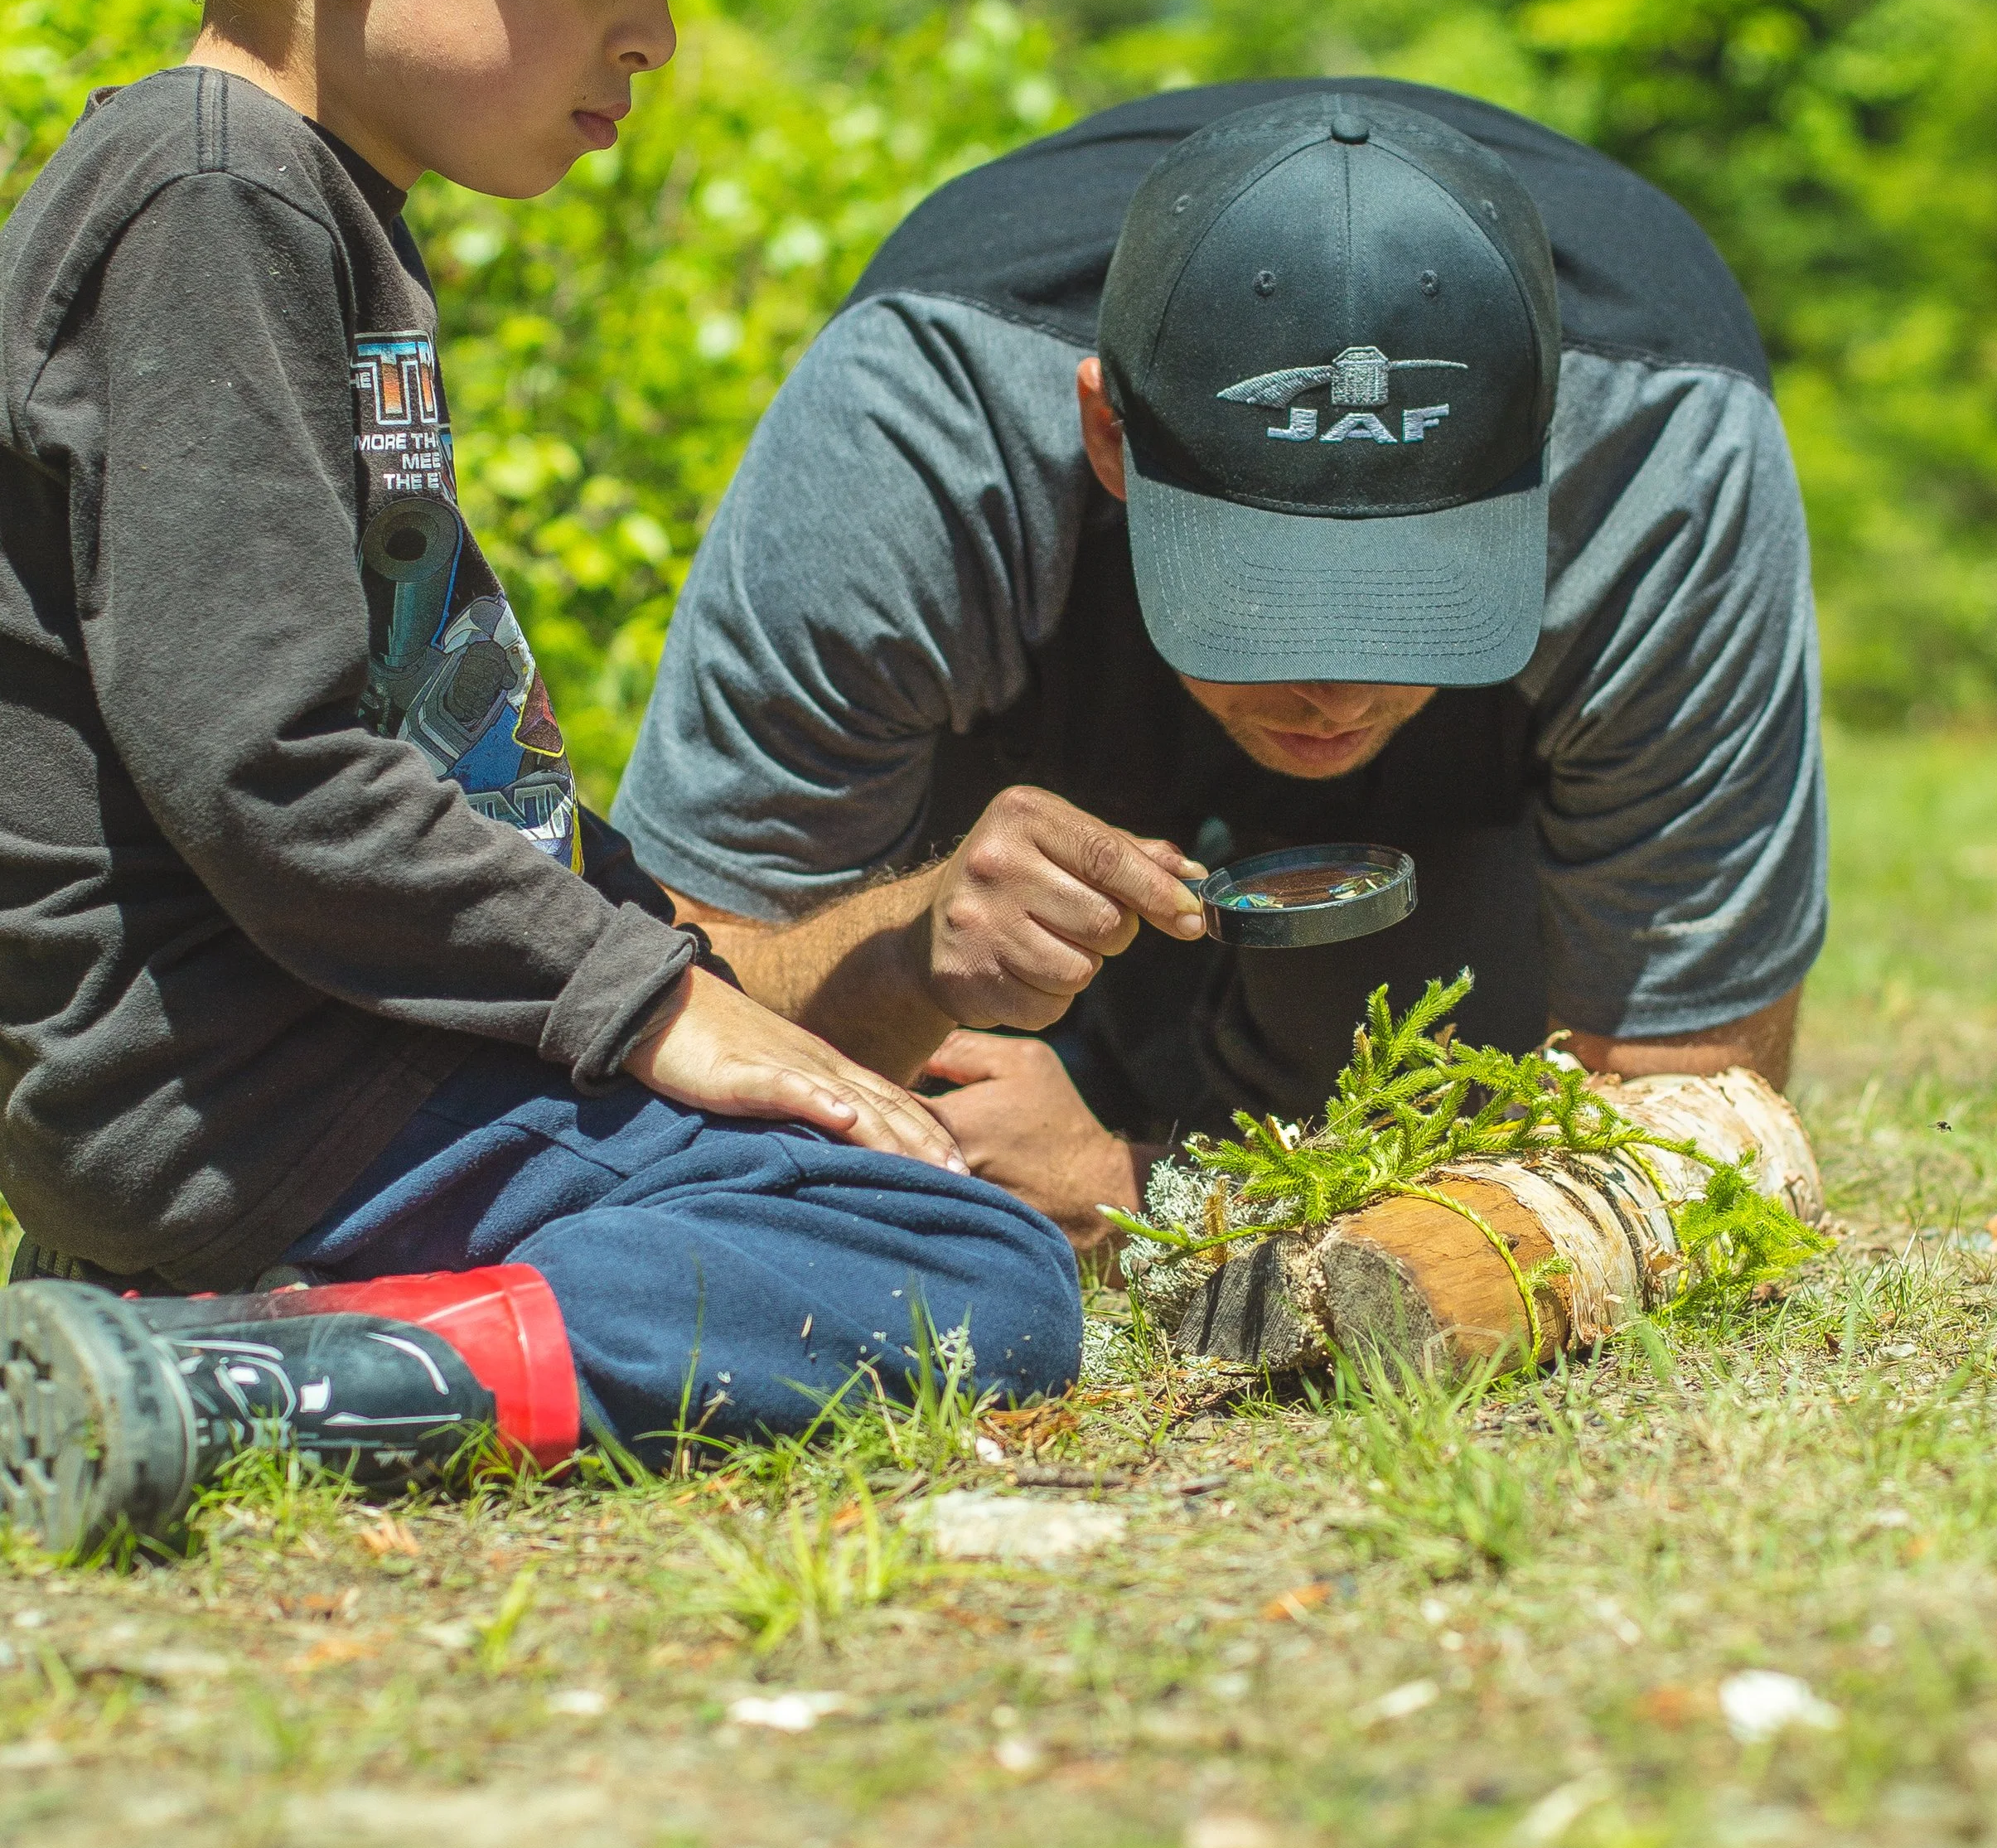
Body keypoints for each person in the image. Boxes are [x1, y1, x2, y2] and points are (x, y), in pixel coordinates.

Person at [0, 0, 1080, 1538]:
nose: (653, 28)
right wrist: (655, 1008)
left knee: (896, 1192)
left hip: (321, 1082)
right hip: (250, 1093)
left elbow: (416, 746)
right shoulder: (209, 195)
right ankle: (259, 1372)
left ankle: (235, 1310)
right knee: (975, 1281)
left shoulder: (307, 214)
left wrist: (684, 975)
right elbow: (272, 767)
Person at [612, 82, 1829, 1249]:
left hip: (1460, 886)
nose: (1340, 694)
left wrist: (1157, 1199)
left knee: (1424, 1006)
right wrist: (902, 949)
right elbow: (671, 997)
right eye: (1262, 601)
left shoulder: (1664, 454)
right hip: (993, 864)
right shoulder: (915, 435)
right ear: (1106, 433)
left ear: (1537, 465)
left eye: (1423, 599)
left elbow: (1695, 1134)